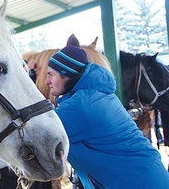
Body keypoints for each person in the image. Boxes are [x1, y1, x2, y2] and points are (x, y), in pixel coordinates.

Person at [46, 42, 169, 188]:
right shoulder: (97, 95)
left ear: (66, 75)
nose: (47, 81)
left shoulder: (81, 106)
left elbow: (39, 133)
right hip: (145, 177)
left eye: (50, 75)